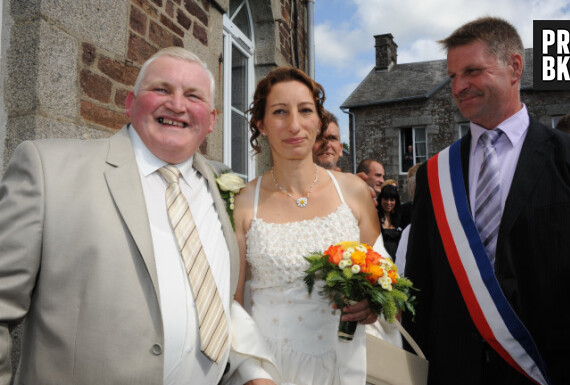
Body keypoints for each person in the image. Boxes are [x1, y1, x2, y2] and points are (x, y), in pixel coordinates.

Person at [0, 47, 277, 385]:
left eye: (193, 95)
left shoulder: (223, 189)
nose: (177, 105)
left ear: (212, 120)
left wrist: (250, 371)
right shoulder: (49, 170)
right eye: (161, 89)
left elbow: (213, 302)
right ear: (130, 104)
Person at [403, 17, 570, 385]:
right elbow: (420, 285)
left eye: (472, 71)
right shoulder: (436, 174)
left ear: (514, 67)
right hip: (455, 371)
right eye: (453, 76)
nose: (459, 86)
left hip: (550, 368)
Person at [233, 67, 383, 385]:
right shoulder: (244, 202)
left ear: (318, 120)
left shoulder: (354, 192)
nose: (294, 125)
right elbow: (232, 306)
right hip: (272, 368)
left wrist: (374, 303)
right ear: (261, 124)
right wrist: (253, 375)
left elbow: (383, 280)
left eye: (304, 111)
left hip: (347, 364)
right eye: (279, 112)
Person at [377, 184, 403, 260]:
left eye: (392, 200)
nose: (389, 203)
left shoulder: (400, 218)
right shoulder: (375, 217)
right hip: (380, 257)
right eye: (385, 199)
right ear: (380, 199)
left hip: (397, 258)